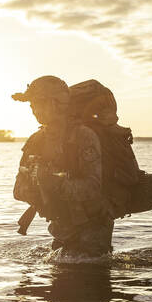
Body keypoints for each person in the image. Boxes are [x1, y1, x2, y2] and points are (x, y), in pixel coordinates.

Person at [12, 75, 114, 257]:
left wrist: (59, 184)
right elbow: (17, 190)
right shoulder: (36, 141)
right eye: (32, 105)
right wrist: (35, 189)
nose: (34, 110)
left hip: (92, 226)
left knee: (87, 273)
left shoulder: (84, 136)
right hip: (60, 227)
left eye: (39, 103)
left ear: (56, 103)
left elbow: (93, 187)